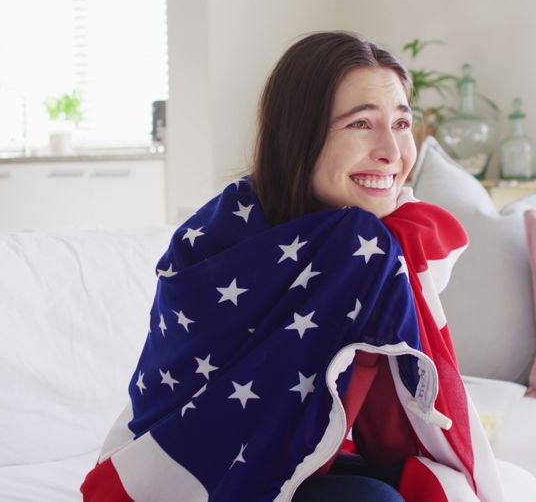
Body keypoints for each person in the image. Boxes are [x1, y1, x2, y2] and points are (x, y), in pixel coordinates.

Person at [80, 32, 506, 502]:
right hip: (195, 474)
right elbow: (179, 409)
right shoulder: (212, 245)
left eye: (402, 124)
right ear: (299, 135)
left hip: (308, 459)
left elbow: (387, 434)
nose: (391, 151)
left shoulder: (379, 247)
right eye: (361, 124)